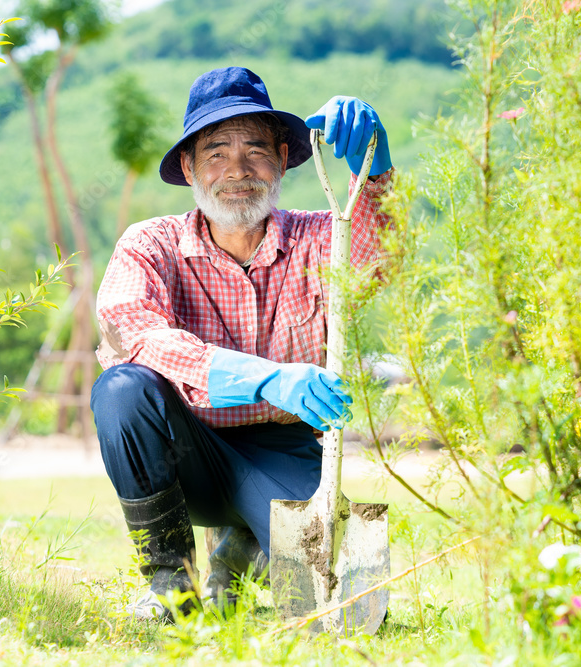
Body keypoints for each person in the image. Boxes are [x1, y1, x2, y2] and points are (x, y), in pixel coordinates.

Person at [90, 66, 393, 621]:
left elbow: (380, 261)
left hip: (290, 449)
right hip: (190, 453)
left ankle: (244, 548)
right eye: (215, 154)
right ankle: (170, 585)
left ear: (281, 159)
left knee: (353, 610)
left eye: (255, 151)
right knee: (121, 390)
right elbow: (135, 333)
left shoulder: (322, 235)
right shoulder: (150, 244)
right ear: (188, 168)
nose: (237, 171)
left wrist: (377, 170)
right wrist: (265, 376)